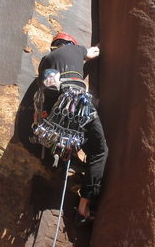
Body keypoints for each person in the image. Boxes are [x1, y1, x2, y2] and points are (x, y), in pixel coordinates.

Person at [35, 32, 107, 221]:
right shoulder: (76, 49)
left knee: (66, 140)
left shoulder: (46, 61)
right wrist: (102, 43)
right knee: (99, 151)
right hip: (80, 106)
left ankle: (69, 159)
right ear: (70, 43)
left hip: (56, 113)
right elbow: (94, 52)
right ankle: (84, 206)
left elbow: (46, 90)